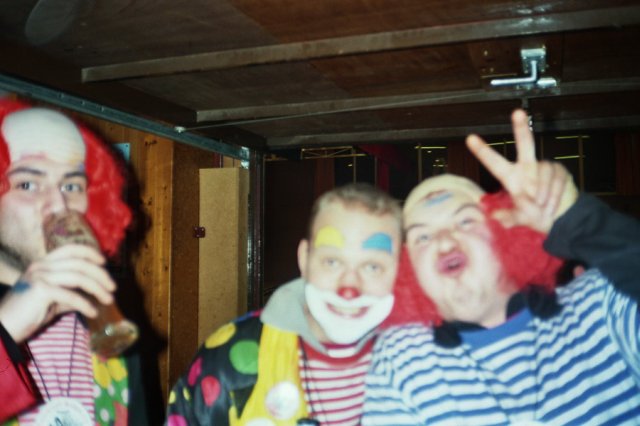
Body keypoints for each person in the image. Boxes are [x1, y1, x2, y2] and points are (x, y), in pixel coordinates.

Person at [362, 109, 640, 425]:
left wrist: (576, 219)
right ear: (411, 271)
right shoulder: (401, 358)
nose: (444, 241)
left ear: (503, 236)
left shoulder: (598, 304)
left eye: (465, 221)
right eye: (422, 236)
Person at [167, 183, 403, 425]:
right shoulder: (229, 356)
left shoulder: (417, 361)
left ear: (400, 270)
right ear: (304, 258)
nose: (349, 287)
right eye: (332, 262)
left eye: (372, 267)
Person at [0, 98, 153, 424]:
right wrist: (5, 329)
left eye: (71, 185)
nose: (59, 205)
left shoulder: (110, 320)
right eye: (28, 184)